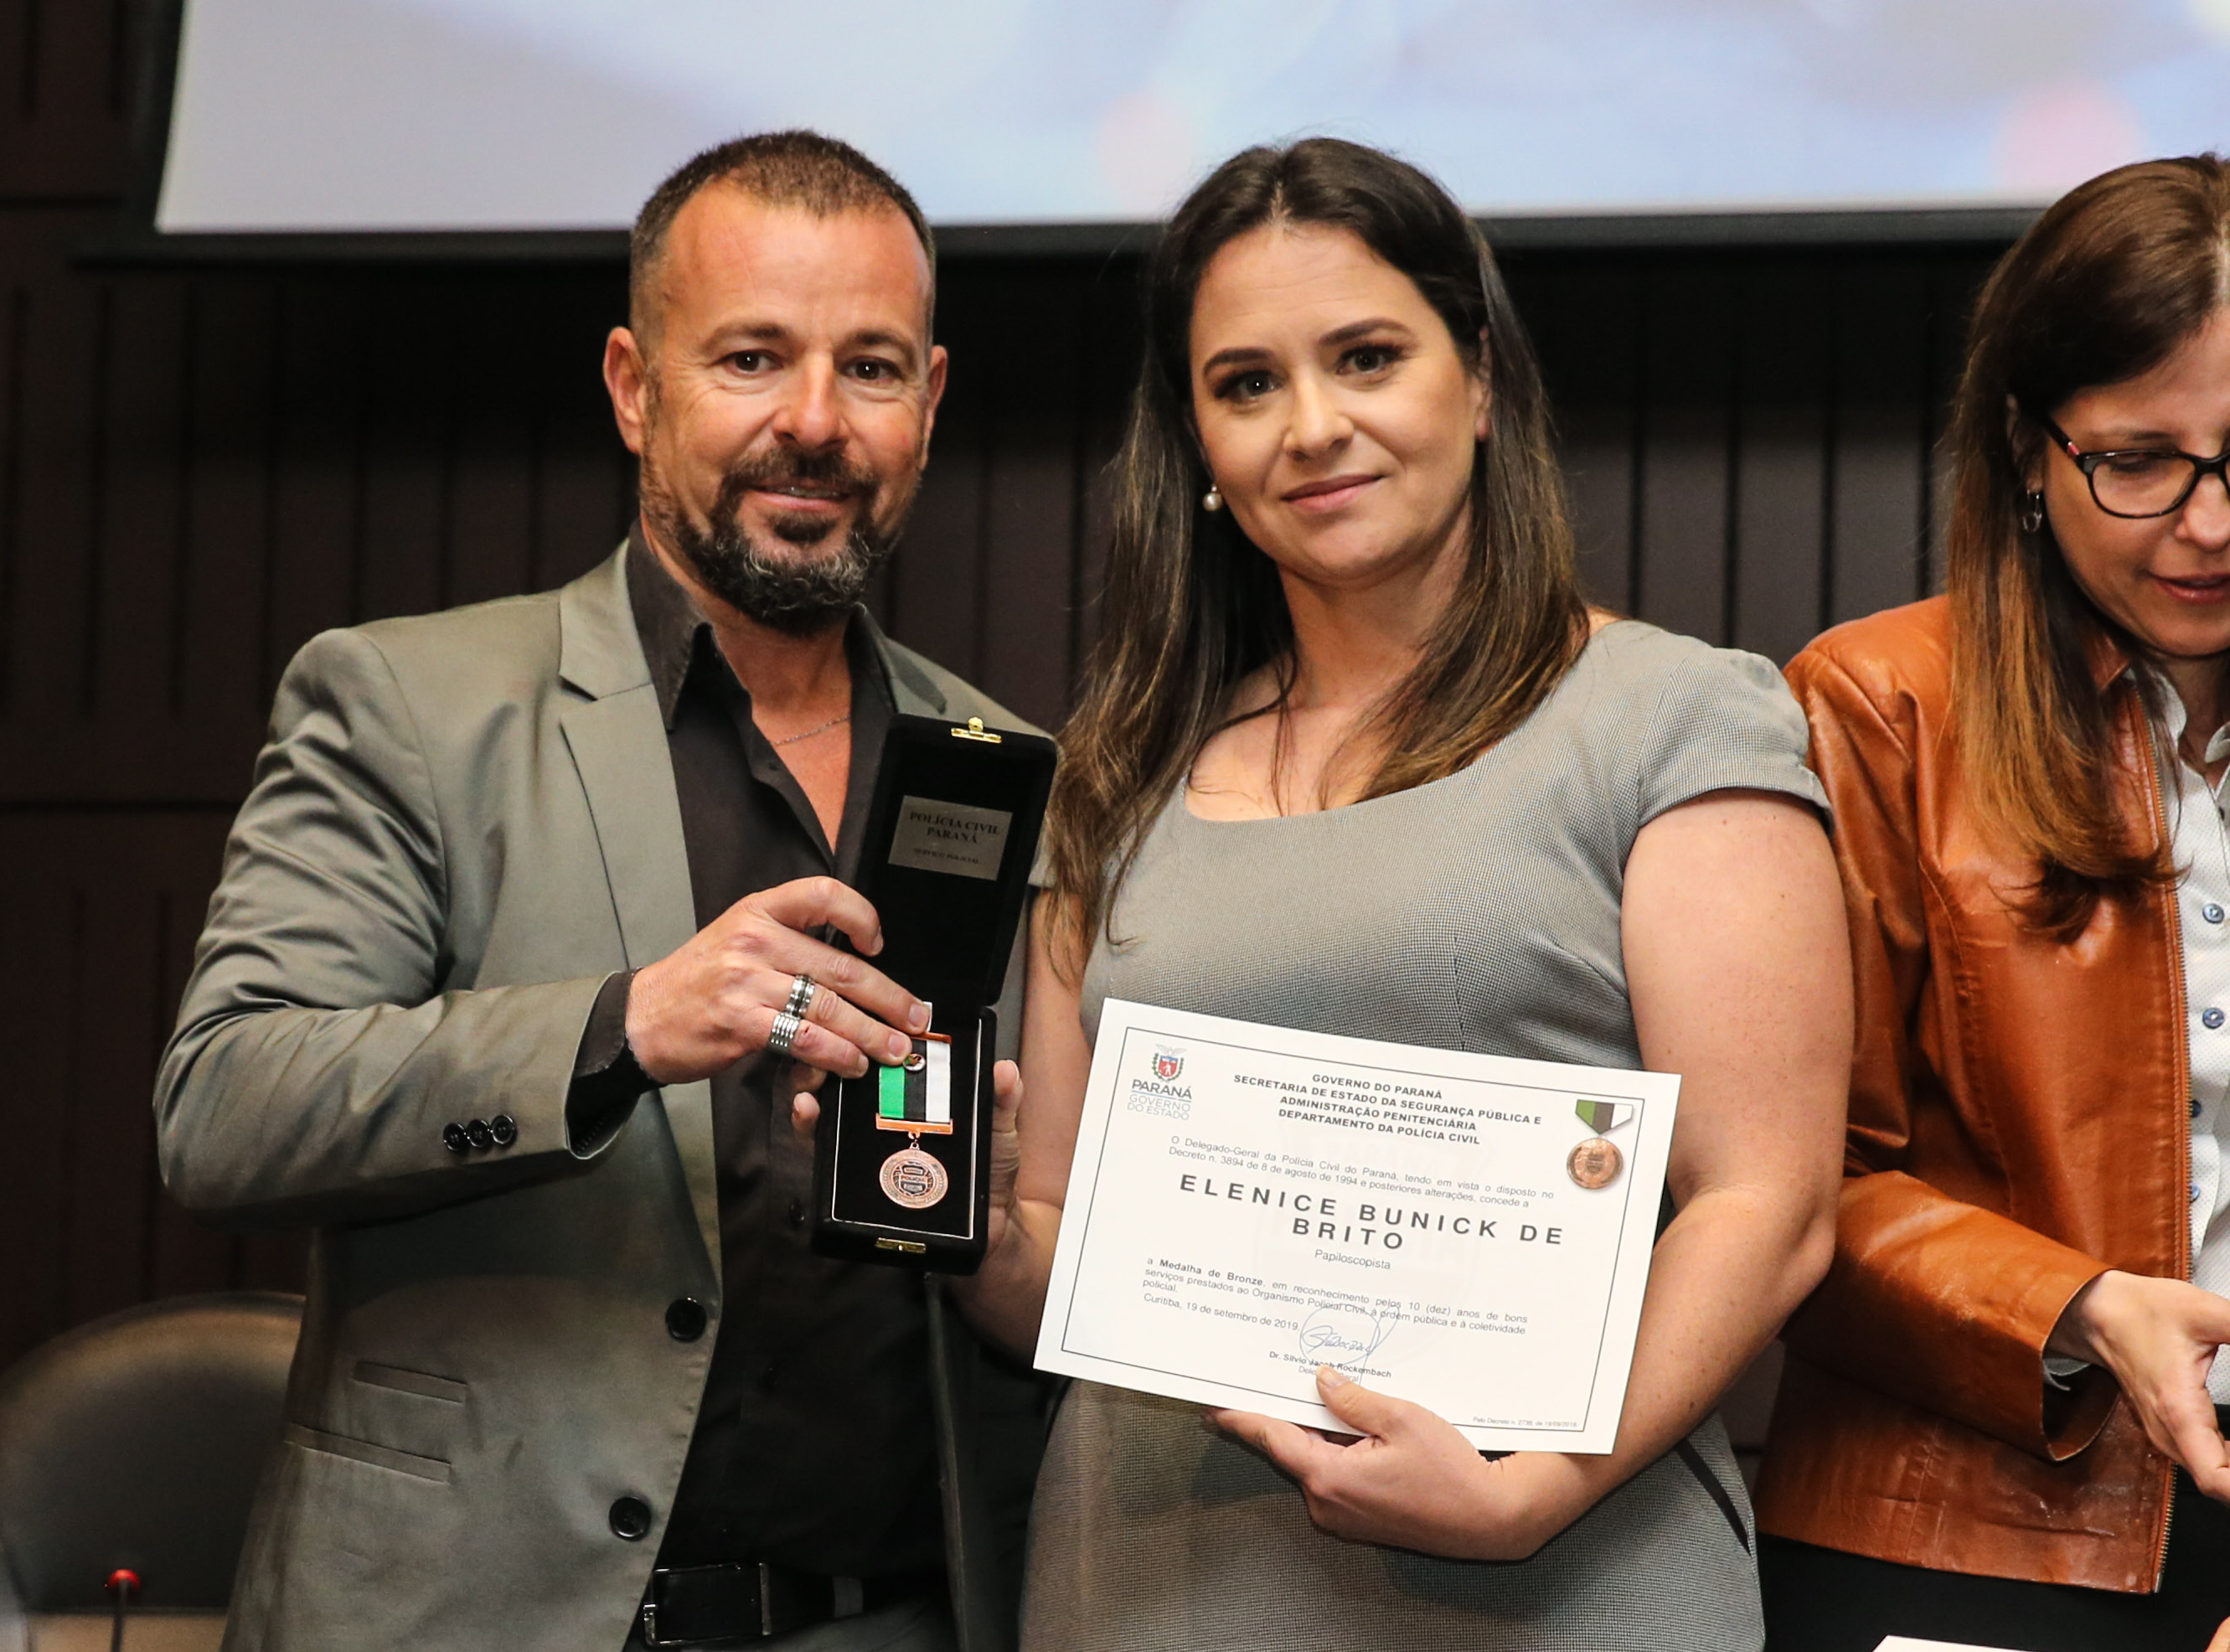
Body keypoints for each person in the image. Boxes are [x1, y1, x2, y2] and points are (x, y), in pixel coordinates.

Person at [943, 137, 1854, 1650]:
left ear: (1479, 380)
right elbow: (1062, 1263)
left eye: (1367, 356)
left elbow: (1769, 1204)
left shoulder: (1672, 718)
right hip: (1149, 1590)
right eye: (1248, 384)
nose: (1314, 426)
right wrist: (969, 1228)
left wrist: (1530, 1493)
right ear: (1198, 444)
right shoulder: (1116, 780)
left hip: (1556, 1581)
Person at [154, 132, 1044, 1652]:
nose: (814, 422)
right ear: (636, 387)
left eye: (871, 368)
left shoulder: (1013, 771)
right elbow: (224, 1108)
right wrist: (621, 1027)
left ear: (931, 401)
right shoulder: (407, 705)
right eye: (752, 359)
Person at [1756, 155, 2230, 1652]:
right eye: (2140, 462)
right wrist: (2081, 1307)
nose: (2211, 524)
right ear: (2030, 446)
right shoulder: (1882, 708)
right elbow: (1782, 1189)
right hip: (1970, 1513)